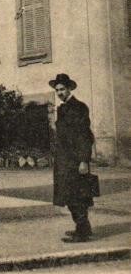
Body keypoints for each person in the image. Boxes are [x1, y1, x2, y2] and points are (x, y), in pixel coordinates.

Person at [49, 73, 95, 242]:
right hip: (64, 160)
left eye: (62, 89)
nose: (59, 93)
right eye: (57, 90)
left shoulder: (79, 107)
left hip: (75, 160)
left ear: (69, 89)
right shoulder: (62, 108)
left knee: (77, 194)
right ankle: (83, 227)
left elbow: (85, 135)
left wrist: (84, 160)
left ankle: (83, 232)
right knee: (68, 194)